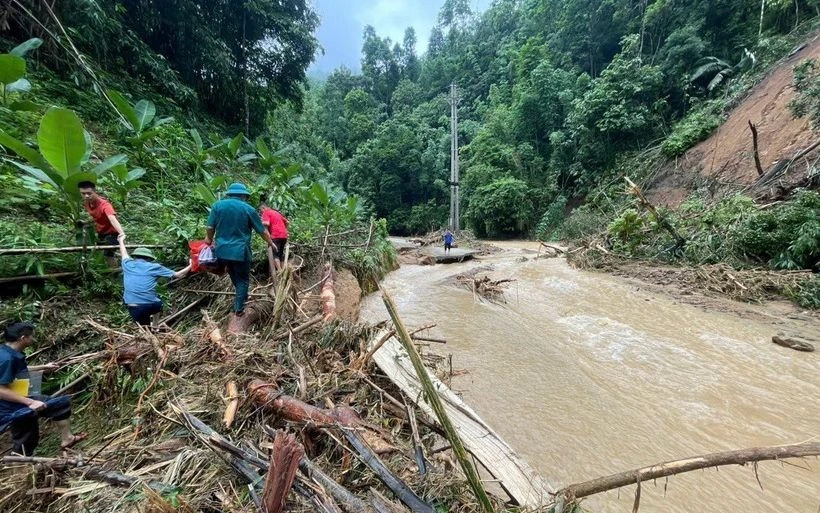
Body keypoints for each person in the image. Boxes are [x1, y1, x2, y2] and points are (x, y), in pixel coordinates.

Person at [0, 322, 86, 455]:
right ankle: (19, 465)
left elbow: (17, 370)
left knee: (60, 404)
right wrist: (30, 402)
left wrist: (43, 367)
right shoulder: (6, 359)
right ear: (23, 338)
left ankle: (67, 438)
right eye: (31, 336)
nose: (33, 339)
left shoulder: (8, 352)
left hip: (20, 397)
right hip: (9, 406)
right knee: (27, 434)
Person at [204, 183, 274, 317]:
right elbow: (262, 231)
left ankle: (241, 299)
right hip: (240, 251)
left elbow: (210, 227)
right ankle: (239, 309)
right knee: (243, 280)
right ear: (243, 196)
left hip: (222, 251)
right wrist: (271, 242)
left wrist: (208, 239)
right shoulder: (248, 209)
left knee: (233, 274)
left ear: (229, 194)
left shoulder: (217, 206)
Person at [118, 234, 192, 326]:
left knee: (145, 328)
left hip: (135, 307)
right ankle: (155, 326)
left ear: (135, 257)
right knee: (158, 304)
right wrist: (191, 265)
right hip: (152, 305)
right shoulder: (154, 267)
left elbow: (124, 254)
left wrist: (121, 241)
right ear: (149, 258)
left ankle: (151, 329)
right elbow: (178, 275)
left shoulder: (128, 264)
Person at [78, 181, 125, 268]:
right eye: (83, 193)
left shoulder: (105, 205)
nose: (86, 196)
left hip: (112, 233)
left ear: (95, 191)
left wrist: (121, 233)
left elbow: (112, 218)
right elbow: (96, 217)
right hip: (101, 233)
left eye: (89, 193)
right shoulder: (87, 203)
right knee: (99, 252)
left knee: (108, 255)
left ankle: (115, 274)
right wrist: (86, 222)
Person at [259, 195, 289, 272]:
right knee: (280, 254)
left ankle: (279, 271)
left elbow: (266, 224)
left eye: (260, 210)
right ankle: (283, 271)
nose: (260, 213)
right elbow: (287, 222)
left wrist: (269, 239)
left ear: (263, 208)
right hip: (284, 236)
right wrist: (286, 230)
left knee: (275, 254)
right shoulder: (277, 212)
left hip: (275, 236)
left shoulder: (266, 212)